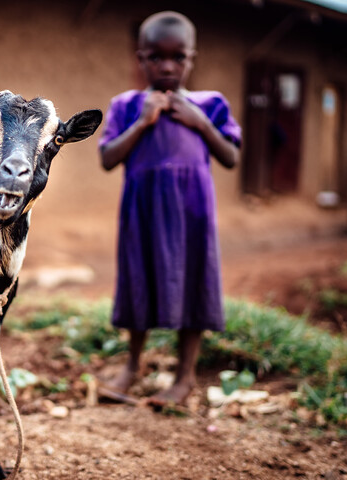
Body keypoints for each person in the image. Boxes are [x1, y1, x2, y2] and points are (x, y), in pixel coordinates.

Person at [98, 11, 241, 407]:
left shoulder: (210, 105)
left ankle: (185, 377)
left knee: (193, 283)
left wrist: (200, 123)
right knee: (137, 282)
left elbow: (230, 156)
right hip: (141, 215)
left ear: (192, 58)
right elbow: (108, 158)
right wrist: (142, 123)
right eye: (155, 57)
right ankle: (132, 366)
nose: (167, 66)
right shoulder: (126, 106)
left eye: (178, 57)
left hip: (191, 215)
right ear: (140, 58)